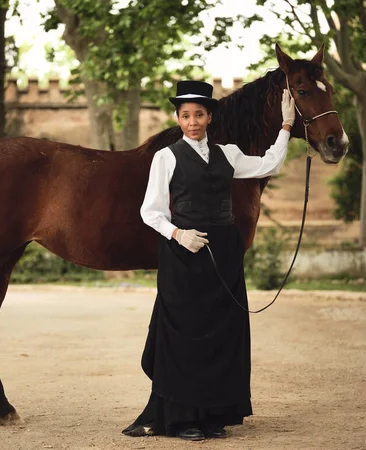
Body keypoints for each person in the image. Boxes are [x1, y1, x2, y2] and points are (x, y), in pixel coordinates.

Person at [122, 80, 296, 441]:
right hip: (184, 255)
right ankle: (183, 418)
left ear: (209, 117)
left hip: (224, 253)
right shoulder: (166, 157)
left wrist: (286, 125)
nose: (192, 121)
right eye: (185, 115)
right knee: (186, 334)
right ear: (178, 119)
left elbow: (269, 164)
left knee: (220, 334)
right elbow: (149, 211)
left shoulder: (228, 153)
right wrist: (178, 234)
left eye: (199, 114)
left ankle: (211, 414)